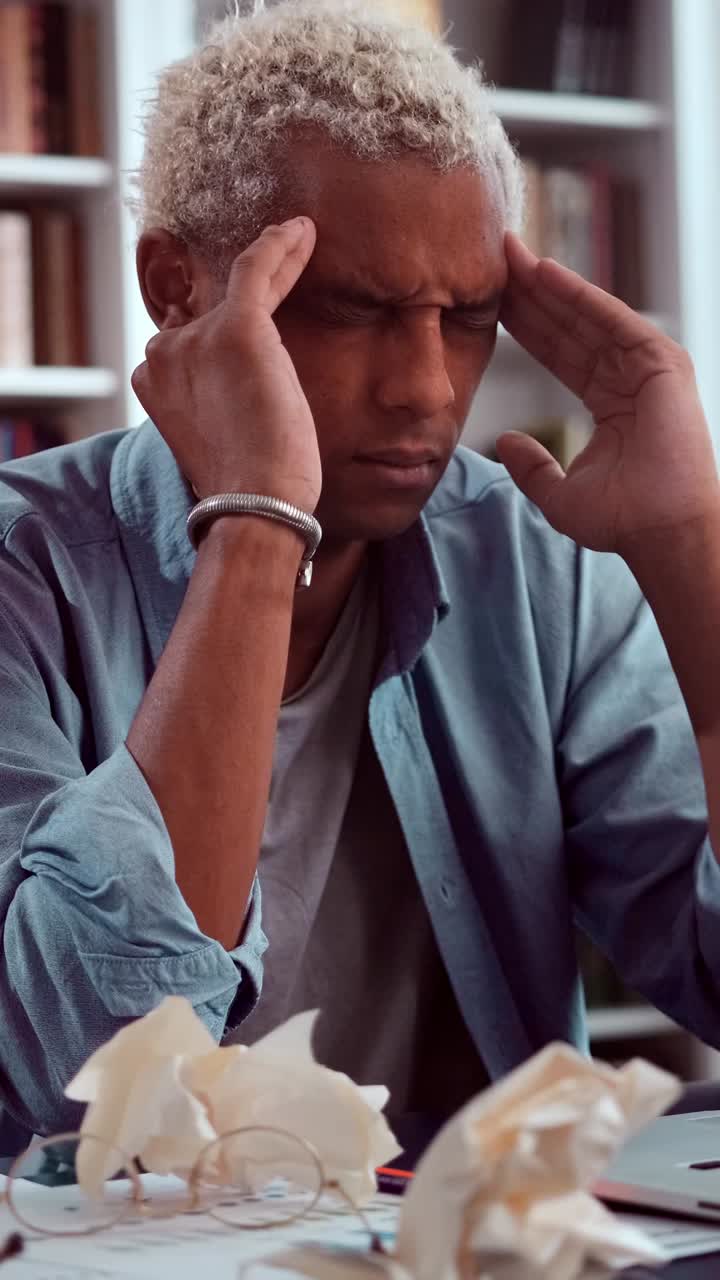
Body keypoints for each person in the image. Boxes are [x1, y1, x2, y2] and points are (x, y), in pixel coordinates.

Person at [1, 0, 720, 1157]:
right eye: (356, 311)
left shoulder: (524, 556)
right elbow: (80, 1058)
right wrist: (254, 522)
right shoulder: (23, 574)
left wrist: (692, 555)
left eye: (470, 317)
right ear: (179, 290)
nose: (430, 390)